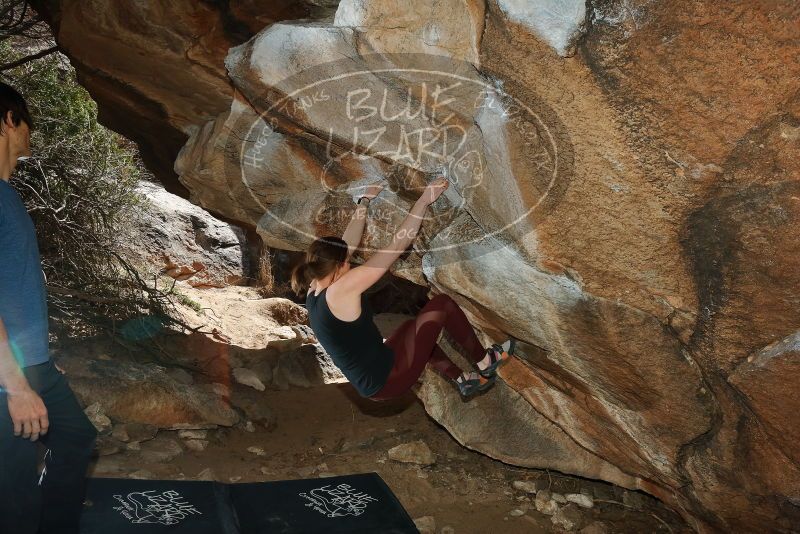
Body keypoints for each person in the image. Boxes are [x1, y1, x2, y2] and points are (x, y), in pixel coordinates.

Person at [291, 177, 515, 401]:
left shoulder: (315, 286)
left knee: (413, 327)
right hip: (387, 380)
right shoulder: (341, 290)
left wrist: (364, 201)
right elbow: (397, 245)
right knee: (442, 305)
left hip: (375, 374)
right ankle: (485, 361)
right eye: (347, 262)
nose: (350, 263)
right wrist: (423, 201)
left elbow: (346, 244)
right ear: (338, 266)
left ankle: (463, 380)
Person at [0, 82, 98, 534]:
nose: (30, 133)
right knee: (13, 495)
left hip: (31, 362)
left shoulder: (7, 194)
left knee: (76, 437)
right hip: (7, 375)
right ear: (8, 120)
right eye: (27, 122)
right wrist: (16, 387)